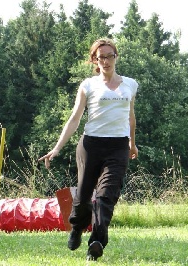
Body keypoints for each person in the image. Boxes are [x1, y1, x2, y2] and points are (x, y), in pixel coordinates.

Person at [38, 38, 138, 261]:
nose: (106, 60)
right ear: (95, 60)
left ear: (116, 56)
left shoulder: (130, 84)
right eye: (100, 57)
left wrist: (132, 143)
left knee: (106, 196)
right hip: (90, 145)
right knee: (83, 197)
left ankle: (96, 241)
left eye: (109, 55)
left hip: (118, 146)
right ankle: (76, 228)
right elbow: (74, 119)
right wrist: (56, 149)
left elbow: (130, 117)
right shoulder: (88, 85)